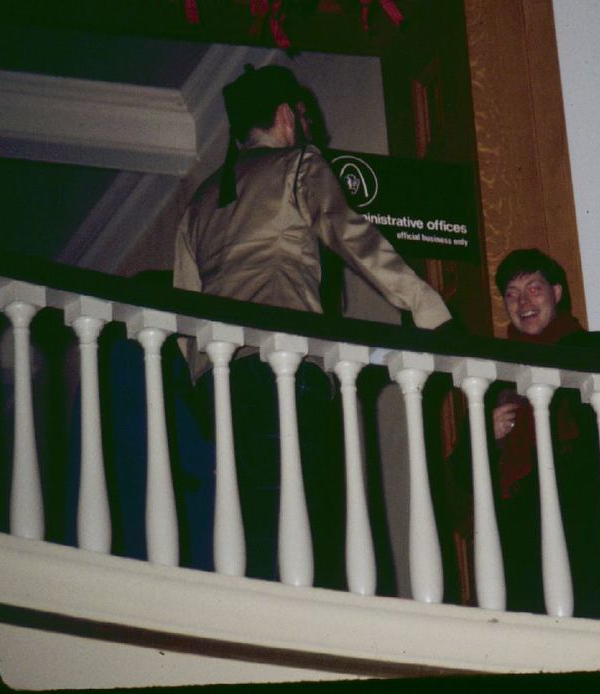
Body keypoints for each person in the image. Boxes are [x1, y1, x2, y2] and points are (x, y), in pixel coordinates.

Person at [173, 64, 453, 585]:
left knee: (255, 523)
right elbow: (354, 236)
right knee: (309, 518)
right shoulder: (297, 164)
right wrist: (426, 307)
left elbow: (184, 311)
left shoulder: (199, 202)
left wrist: (199, 383)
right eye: (302, 117)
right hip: (285, 367)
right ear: (285, 116)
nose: (307, 128)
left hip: (221, 381)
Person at [442, 249, 600, 617]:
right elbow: (462, 477)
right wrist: (488, 438)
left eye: (534, 289)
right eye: (512, 294)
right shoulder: (496, 378)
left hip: (591, 535)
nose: (523, 303)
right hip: (522, 552)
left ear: (557, 293)